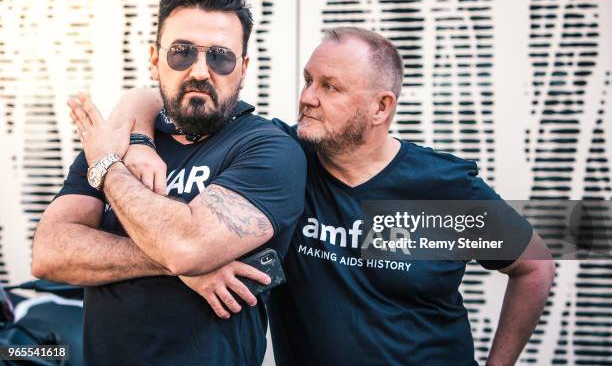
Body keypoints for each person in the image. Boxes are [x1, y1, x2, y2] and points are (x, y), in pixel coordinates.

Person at [100, 26, 556, 365]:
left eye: (330, 87)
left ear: (381, 108)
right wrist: (138, 141)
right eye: (308, 80)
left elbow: (533, 267)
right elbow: (151, 95)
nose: (307, 98)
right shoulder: (284, 164)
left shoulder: (435, 189)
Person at [31, 0, 306, 366]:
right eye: (181, 52)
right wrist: (180, 267)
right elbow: (49, 253)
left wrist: (108, 168)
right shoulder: (123, 135)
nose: (199, 70)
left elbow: (187, 247)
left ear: (243, 68)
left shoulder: (268, 150)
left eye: (220, 57)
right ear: (154, 59)